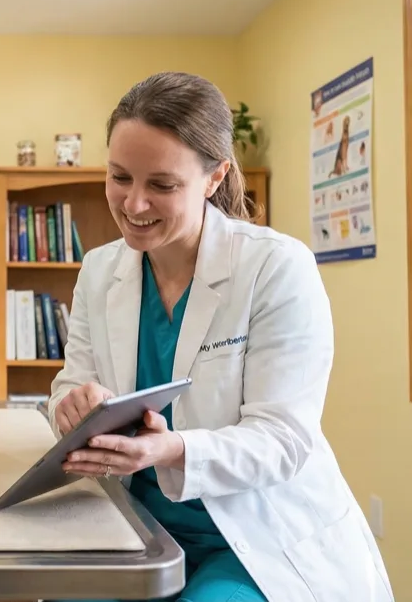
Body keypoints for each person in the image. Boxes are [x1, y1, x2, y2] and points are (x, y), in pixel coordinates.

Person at [49, 72, 393, 602]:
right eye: (120, 177)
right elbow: (72, 379)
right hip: (136, 528)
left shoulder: (276, 267)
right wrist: (74, 404)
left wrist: (173, 449)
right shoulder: (100, 270)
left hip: (258, 537)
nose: (134, 204)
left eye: (162, 185)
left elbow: (283, 439)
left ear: (214, 178)